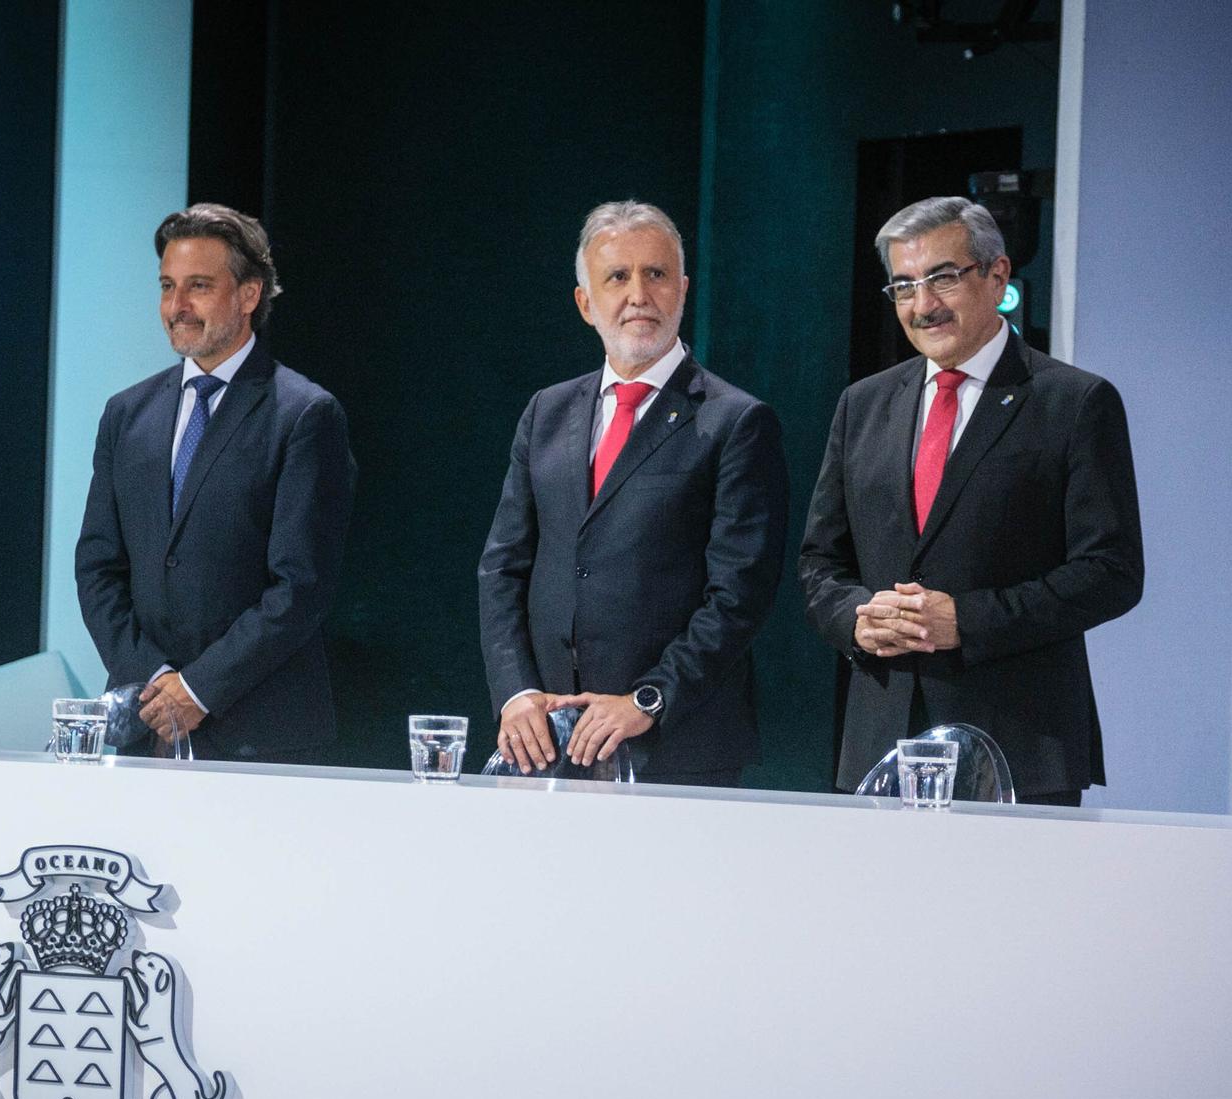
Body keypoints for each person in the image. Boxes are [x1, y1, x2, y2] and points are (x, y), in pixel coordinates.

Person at [798, 196, 1143, 802]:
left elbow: (1111, 572)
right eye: (904, 286)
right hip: (881, 746)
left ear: (998, 275)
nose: (923, 305)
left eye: (943, 278)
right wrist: (858, 618)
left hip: (1020, 746)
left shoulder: (1073, 402)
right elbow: (820, 565)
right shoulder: (863, 405)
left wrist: (968, 620)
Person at [478, 200, 787, 787]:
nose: (638, 294)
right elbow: (502, 569)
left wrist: (648, 699)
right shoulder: (547, 411)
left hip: (677, 746)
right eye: (617, 277)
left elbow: (739, 596)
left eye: (657, 274)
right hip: (547, 743)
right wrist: (515, 692)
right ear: (585, 303)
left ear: (683, 289)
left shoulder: (735, 421)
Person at [76, 203, 355, 763]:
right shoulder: (126, 414)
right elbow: (98, 567)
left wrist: (200, 688)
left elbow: (300, 586)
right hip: (143, 724)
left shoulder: (304, 414)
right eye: (167, 286)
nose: (176, 307)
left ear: (249, 294)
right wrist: (154, 679)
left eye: (198, 286)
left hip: (259, 732)